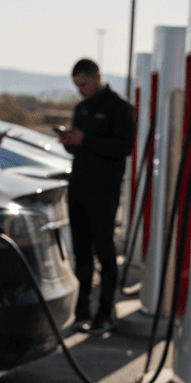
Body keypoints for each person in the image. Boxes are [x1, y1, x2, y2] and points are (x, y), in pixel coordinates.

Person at [59, 58, 135, 335]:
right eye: (76, 86)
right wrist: (70, 143)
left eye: (84, 84)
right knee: (81, 255)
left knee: (105, 253)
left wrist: (86, 140)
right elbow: (80, 148)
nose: (81, 90)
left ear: (96, 76)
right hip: (79, 189)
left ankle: (104, 313)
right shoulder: (82, 108)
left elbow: (124, 147)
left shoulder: (118, 107)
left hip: (104, 192)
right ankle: (81, 312)